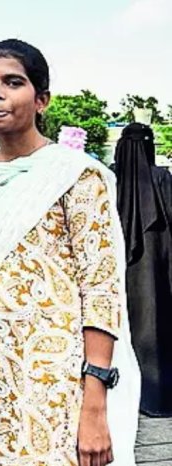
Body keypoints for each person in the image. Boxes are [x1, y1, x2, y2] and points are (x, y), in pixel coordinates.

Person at [0, 39, 140, 466]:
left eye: (13, 82)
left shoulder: (75, 175)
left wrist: (94, 405)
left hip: (53, 384)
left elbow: (102, 291)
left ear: (41, 99)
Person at [113, 123, 172, 417]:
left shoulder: (111, 178)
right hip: (159, 267)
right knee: (157, 324)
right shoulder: (162, 178)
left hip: (118, 268)